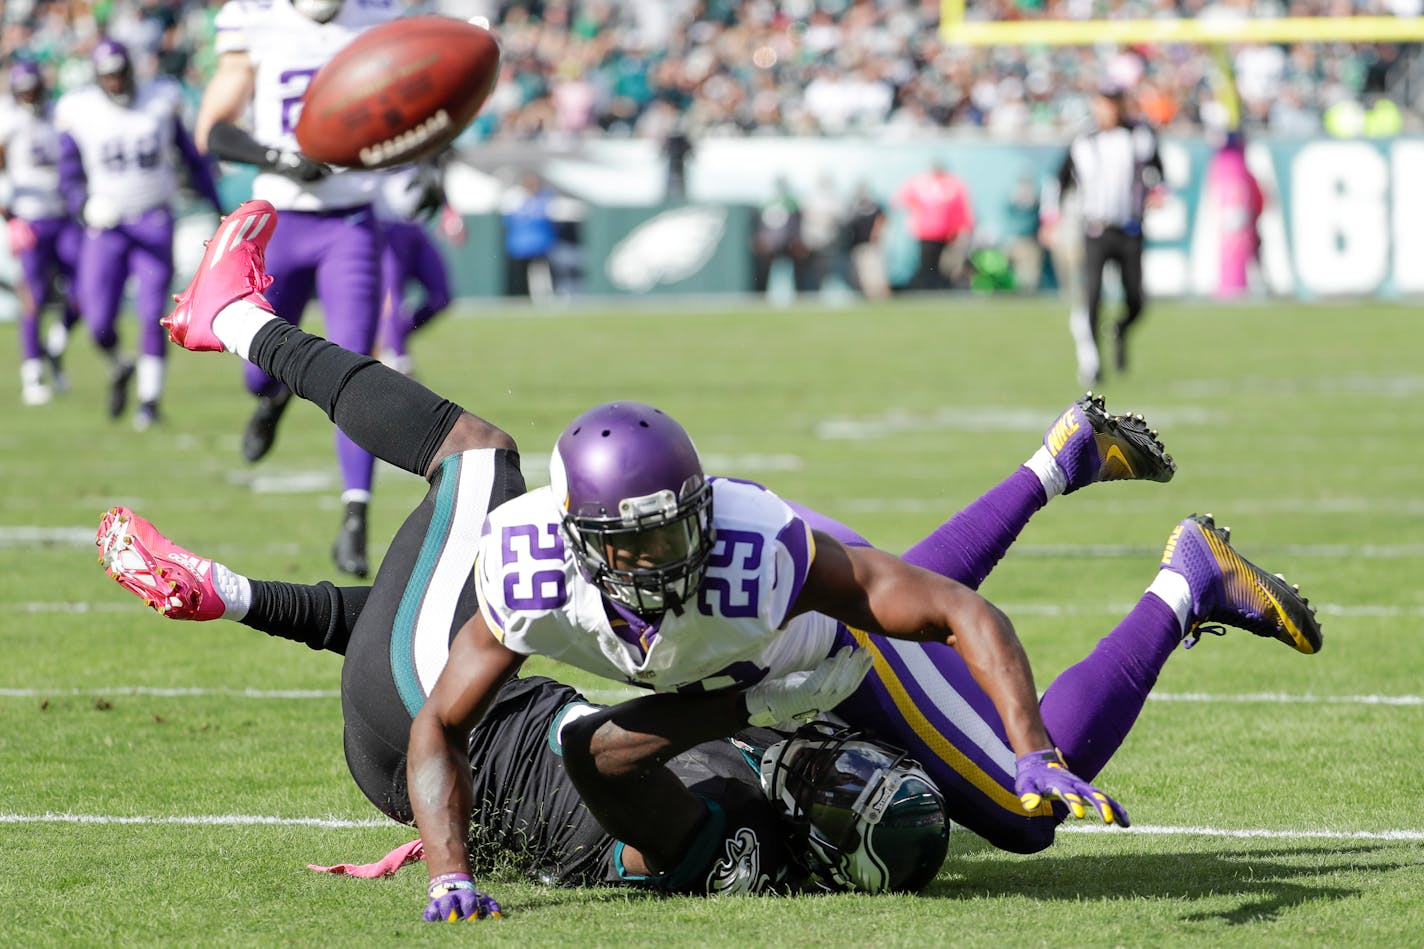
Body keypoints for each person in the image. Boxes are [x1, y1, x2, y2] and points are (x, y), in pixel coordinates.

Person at [135, 199, 1321, 917]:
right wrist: (448, 865)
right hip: (751, 677)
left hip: (822, 659)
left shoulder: (755, 551)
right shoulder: (529, 571)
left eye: (674, 526)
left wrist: (1031, 746)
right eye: (635, 540)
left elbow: (947, 609)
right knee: (854, 660)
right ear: (583, 540)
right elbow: (443, 725)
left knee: (1017, 817)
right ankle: (1064, 466)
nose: (663, 553)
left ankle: (1183, 581)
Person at [194, 0, 404, 576]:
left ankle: (355, 515)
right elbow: (211, 130)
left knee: (358, 370)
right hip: (279, 220)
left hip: (351, 221)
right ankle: (272, 397)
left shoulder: (378, 17)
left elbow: (411, 108)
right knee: (256, 365)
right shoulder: (255, 19)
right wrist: (280, 159)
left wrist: (428, 164)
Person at [54, 39, 223, 429]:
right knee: (97, 319)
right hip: (106, 227)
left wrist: (215, 206)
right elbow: (68, 174)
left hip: (153, 219)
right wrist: (84, 205)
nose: (116, 82)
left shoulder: (161, 99)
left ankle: (149, 402)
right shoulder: (79, 109)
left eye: (120, 73)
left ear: (131, 69)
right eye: (107, 76)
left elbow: (190, 159)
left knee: (152, 314)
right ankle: (119, 365)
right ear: (97, 78)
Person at [1039, 83, 1164, 386]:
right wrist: (1050, 219)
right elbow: (1058, 182)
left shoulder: (1140, 136)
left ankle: (1120, 330)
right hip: (1095, 230)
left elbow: (1159, 172)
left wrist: (1157, 192)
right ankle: (1092, 363)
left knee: (1136, 299)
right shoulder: (1083, 141)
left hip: (1130, 228)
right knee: (1092, 296)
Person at [0, 60, 81, 407]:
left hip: (63, 216)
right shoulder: (10, 120)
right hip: (28, 220)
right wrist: (8, 214)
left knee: (84, 290)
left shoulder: (58, 115)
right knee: (31, 296)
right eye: (25, 91)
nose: (30, 96)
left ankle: (55, 345)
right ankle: (32, 372)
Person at [373, 162, 456, 377]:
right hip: (385, 227)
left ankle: (390, 339)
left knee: (441, 297)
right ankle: (398, 358)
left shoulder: (418, 144)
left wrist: (448, 210)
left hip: (416, 226)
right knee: (392, 296)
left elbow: (432, 175)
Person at [895, 161, 974, 291]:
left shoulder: (951, 184)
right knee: (928, 263)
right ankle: (928, 288)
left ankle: (939, 287)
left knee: (943, 265)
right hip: (927, 232)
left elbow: (960, 208)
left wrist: (960, 227)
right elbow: (902, 199)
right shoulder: (922, 183)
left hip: (946, 233)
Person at [500, 172, 557, 301]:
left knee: (540, 274)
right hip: (520, 247)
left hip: (539, 246)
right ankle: (523, 299)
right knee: (521, 278)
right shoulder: (515, 199)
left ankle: (543, 298)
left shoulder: (544, 199)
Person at [843, 183, 889, 301]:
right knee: (863, 276)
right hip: (858, 245)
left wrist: (876, 234)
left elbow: (882, 218)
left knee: (876, 274)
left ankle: (883, 298)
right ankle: (870, 298)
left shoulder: (875, 206)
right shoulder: (854, 207)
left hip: (872, 245)